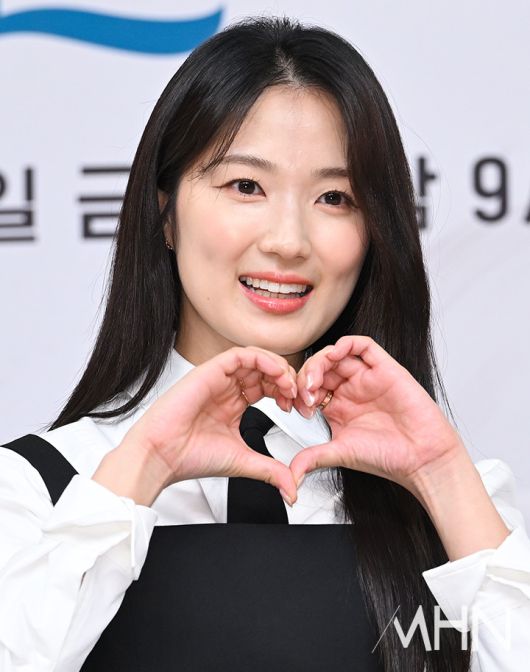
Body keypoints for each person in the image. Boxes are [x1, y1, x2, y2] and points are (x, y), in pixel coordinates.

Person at [0, 15, 528, 672]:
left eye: (335, 197)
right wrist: (143, 466)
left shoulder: (455, 497)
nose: (288, 241)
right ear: (165, 213)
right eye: (246, 186)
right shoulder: (36, 489)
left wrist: (441, 479)